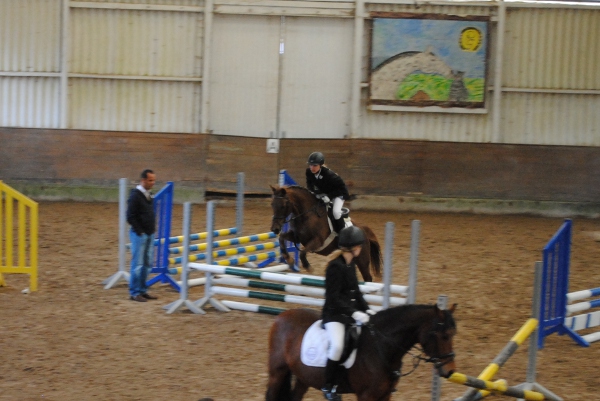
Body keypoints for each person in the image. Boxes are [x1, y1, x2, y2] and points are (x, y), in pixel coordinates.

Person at [321, 226, 375, 401]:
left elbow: (356, 292)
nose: (361, 249)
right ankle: (328, 386)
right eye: (359, 246)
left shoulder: (350, 264)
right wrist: (354, 313)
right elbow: (334, 299)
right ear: (353, 248)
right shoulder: (335, 267)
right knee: (337, 346)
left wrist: (367, 309)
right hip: (334, 315)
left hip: (348, 314)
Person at [126, 169, 158, 302]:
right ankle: (135, 292)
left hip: (149, 234)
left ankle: (143, 290)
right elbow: (130, 216)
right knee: (138, 265)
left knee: (147, 264)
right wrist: (140, 231)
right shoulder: (135, 196)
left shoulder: (148, 194)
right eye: (150, 180)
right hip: (140, 235)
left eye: (153, 180)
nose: (152, 183)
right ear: (143, 180)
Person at [305, 152, 350, 233]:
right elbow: (310, 185)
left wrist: (329, 196)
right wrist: (314, 193)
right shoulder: (309, 172)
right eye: (310, 165)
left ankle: (343, 232)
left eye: (315, 165)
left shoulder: (329, 175)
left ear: (320, 165)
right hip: (325, 193)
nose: (312, 168)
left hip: (339, 194)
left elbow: (341, 188)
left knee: (336, 212)